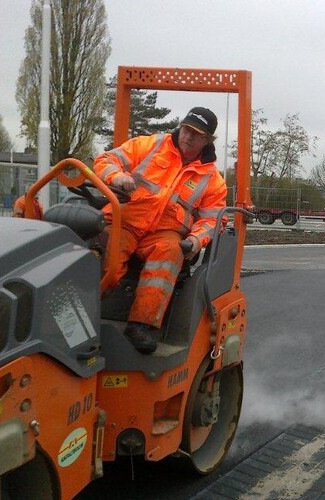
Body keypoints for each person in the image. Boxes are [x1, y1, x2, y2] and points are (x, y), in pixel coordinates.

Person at [93, 107, 227, 354]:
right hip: (125, 221)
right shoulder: (150, 145)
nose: (188, 136)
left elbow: (211, 219)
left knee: (170, 252)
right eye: (186, 129)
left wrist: (196, 241)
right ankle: (87, 315)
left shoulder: (212, 179)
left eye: (196, 134)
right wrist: (117, 177)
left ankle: (142, 325)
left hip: (165, 232)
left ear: (207, 140)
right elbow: (105, 160)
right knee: (108, 257)